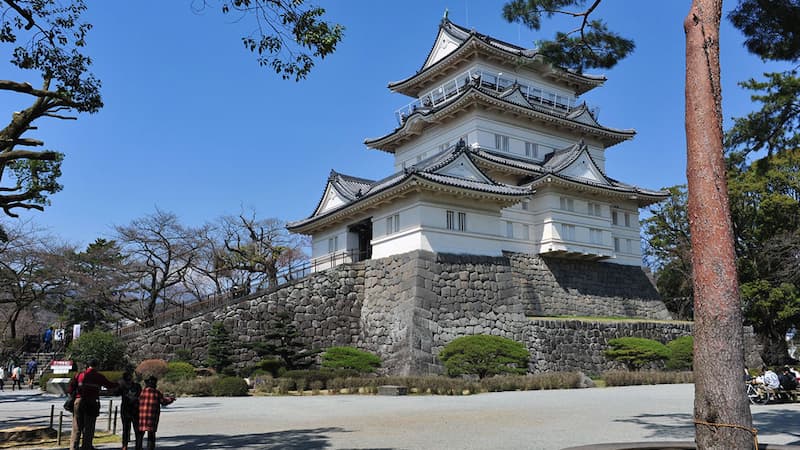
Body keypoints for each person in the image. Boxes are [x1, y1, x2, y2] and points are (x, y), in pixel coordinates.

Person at [68, 359, 118, 450]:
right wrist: (118, 383)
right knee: (89, 427)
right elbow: (109, 385)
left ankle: (73, 447)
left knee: (77, 426)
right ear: (97, 366)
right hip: (91, 402)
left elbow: (71, 388)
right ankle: (86, 447)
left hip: (78, 401)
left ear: (88, 365)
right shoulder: (98, 376)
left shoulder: (79, 375)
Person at [137, 376, 175, 450]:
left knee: (140, 434)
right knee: (151, 434)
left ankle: (138, 448)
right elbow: (164, 402)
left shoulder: (141, 392)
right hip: (152, 416)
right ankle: (150, 448)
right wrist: (171, 399)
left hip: (142, 416)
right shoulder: (156, 392)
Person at [118, 370, 143, 450]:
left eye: (129, 379)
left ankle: (138, 446)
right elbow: (115, 393)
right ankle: (124, 445)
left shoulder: (137, 386)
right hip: (126, 410)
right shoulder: (122, 387)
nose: (129, 380)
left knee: (137, 429)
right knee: (126, 429)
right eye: (127, 379)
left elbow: (140, 396)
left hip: (135, 410)